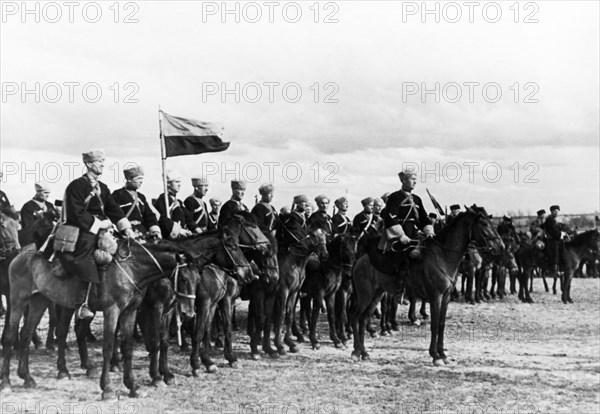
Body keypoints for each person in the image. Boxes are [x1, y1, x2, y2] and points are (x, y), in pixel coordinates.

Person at [64, 150, 136, 319]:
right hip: (83, 230)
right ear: (89, 164)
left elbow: (113, 209)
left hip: (104, 230)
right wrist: (98, 224)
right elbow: (76, 213)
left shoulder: (103, 187)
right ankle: (83, 303)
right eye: (99, 162)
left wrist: (126, 228)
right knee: (87, 255)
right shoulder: (76, 186)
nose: (103, 164)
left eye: (103, 162)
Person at [381, 169, 434, 250]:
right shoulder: (394, 197)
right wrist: (400, 235)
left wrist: (429, 231)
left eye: (415, 179)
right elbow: (391, 217)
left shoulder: (417, 199)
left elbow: (423, 218)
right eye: (412, 179)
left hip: (414, 233)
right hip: (400, 234)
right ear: (404, 180)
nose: (415, 182)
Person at [111, 166, 161, 238]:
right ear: (129, 179)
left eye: (142, 178)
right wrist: (124, 230)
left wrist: (155, 230)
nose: (141, 181)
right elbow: (114, 215)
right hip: (126, 233)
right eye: (138, 178)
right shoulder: (117, 195)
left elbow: (149, 215)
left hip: (143, 232)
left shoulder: (141, 197)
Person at [154, 170, 194, 240]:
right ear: (168, 183)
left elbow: (189, 219)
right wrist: (179, 230)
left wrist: (196, 229)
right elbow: (161, 219)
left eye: (180, 182)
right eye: (176, 182)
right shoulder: (162, 200)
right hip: (169, 238)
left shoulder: (179, 202)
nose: (179, 184)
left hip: (182, 236)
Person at [19, 182, 61, 246]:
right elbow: (28, 227)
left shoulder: (49, 205)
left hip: (51, 237)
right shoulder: (28, 206)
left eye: (48, 193)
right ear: (38, 192)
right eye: (45, 193)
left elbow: (57, 220)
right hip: (35, 240)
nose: (48, 195)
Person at [543, 205, 567, 277]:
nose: (556, 213)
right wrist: (561, 234)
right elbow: (552, 230)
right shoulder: (550, 219)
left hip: (555, 237)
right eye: (555, 211)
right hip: (551, 239)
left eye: (557, 211)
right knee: (557, 248)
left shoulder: (553, 219)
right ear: (552, 212)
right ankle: (555, 268)